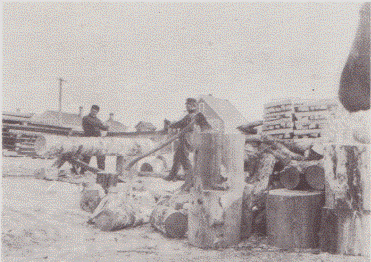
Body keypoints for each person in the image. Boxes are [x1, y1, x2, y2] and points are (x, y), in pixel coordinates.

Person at [164, 98, 212, 182]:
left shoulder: (191, 116)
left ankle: (191, 178)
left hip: (186, 139)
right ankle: (172, 175)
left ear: (193, 106)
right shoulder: (190, 116)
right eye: (186, 105)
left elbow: (179, 123)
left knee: (184, 158)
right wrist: (172, 125)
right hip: (184, 139)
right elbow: (180, 123)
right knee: (177, 158)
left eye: (188, 105)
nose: (186, 106)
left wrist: (170, 125)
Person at [80, 105, 109, 174]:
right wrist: (102, 125)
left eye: (95, 112)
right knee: (86, 158)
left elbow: (105, 128)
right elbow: (95, 123)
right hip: (88, 140)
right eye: (93, 111)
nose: (94, 113)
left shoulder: (98, 120)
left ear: (97, 112)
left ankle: (101, 173)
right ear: (90, 110)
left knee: (101, 157)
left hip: (97, 140)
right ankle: (82, 173)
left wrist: (107, 126)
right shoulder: (86, 118)